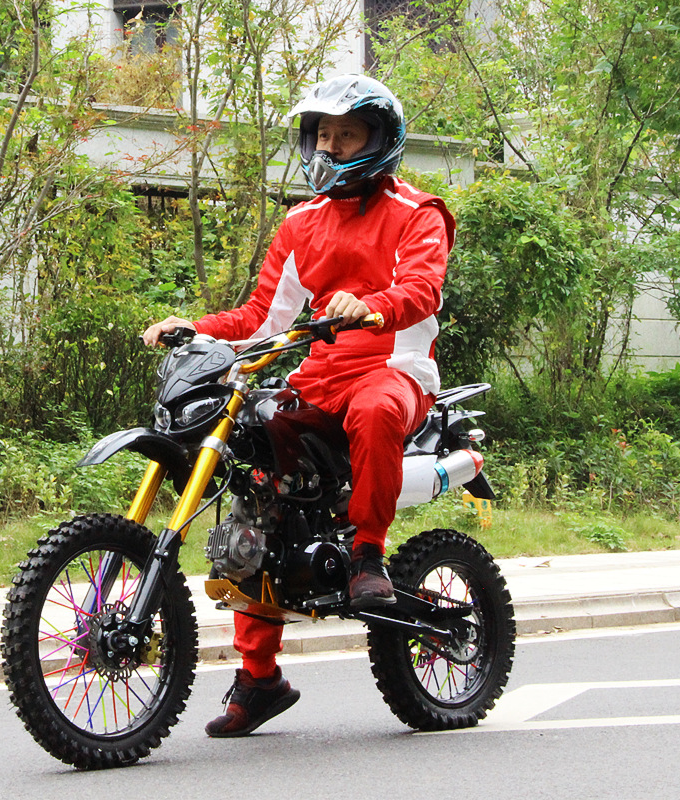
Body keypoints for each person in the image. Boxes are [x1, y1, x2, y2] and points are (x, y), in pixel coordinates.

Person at [142, 73, 455, 738]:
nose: (332, 147)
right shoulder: (301, 223)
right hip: (320, 377)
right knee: (256, 479)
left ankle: (368, 552)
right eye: (324, 134)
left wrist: (369, 307)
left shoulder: (418, 213)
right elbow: (263, 317)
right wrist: (193, 327)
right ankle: (260, 681)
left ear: (380, 140)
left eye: (348, 135)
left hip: (393, 368)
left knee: (373, 411)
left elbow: (423, 290)